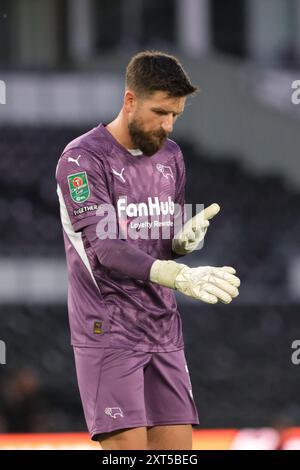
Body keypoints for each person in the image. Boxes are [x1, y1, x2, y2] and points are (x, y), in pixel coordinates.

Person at [56, 50, 240, 450]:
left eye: (175, 115)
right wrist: (178, 274)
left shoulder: (171, 156)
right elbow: (106, 248)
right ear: (130, 100)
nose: (168, 125)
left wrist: (179, 243)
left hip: (163, 329)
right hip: (109, 331)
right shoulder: (81, 158)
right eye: (160, 112)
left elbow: (155, 244)